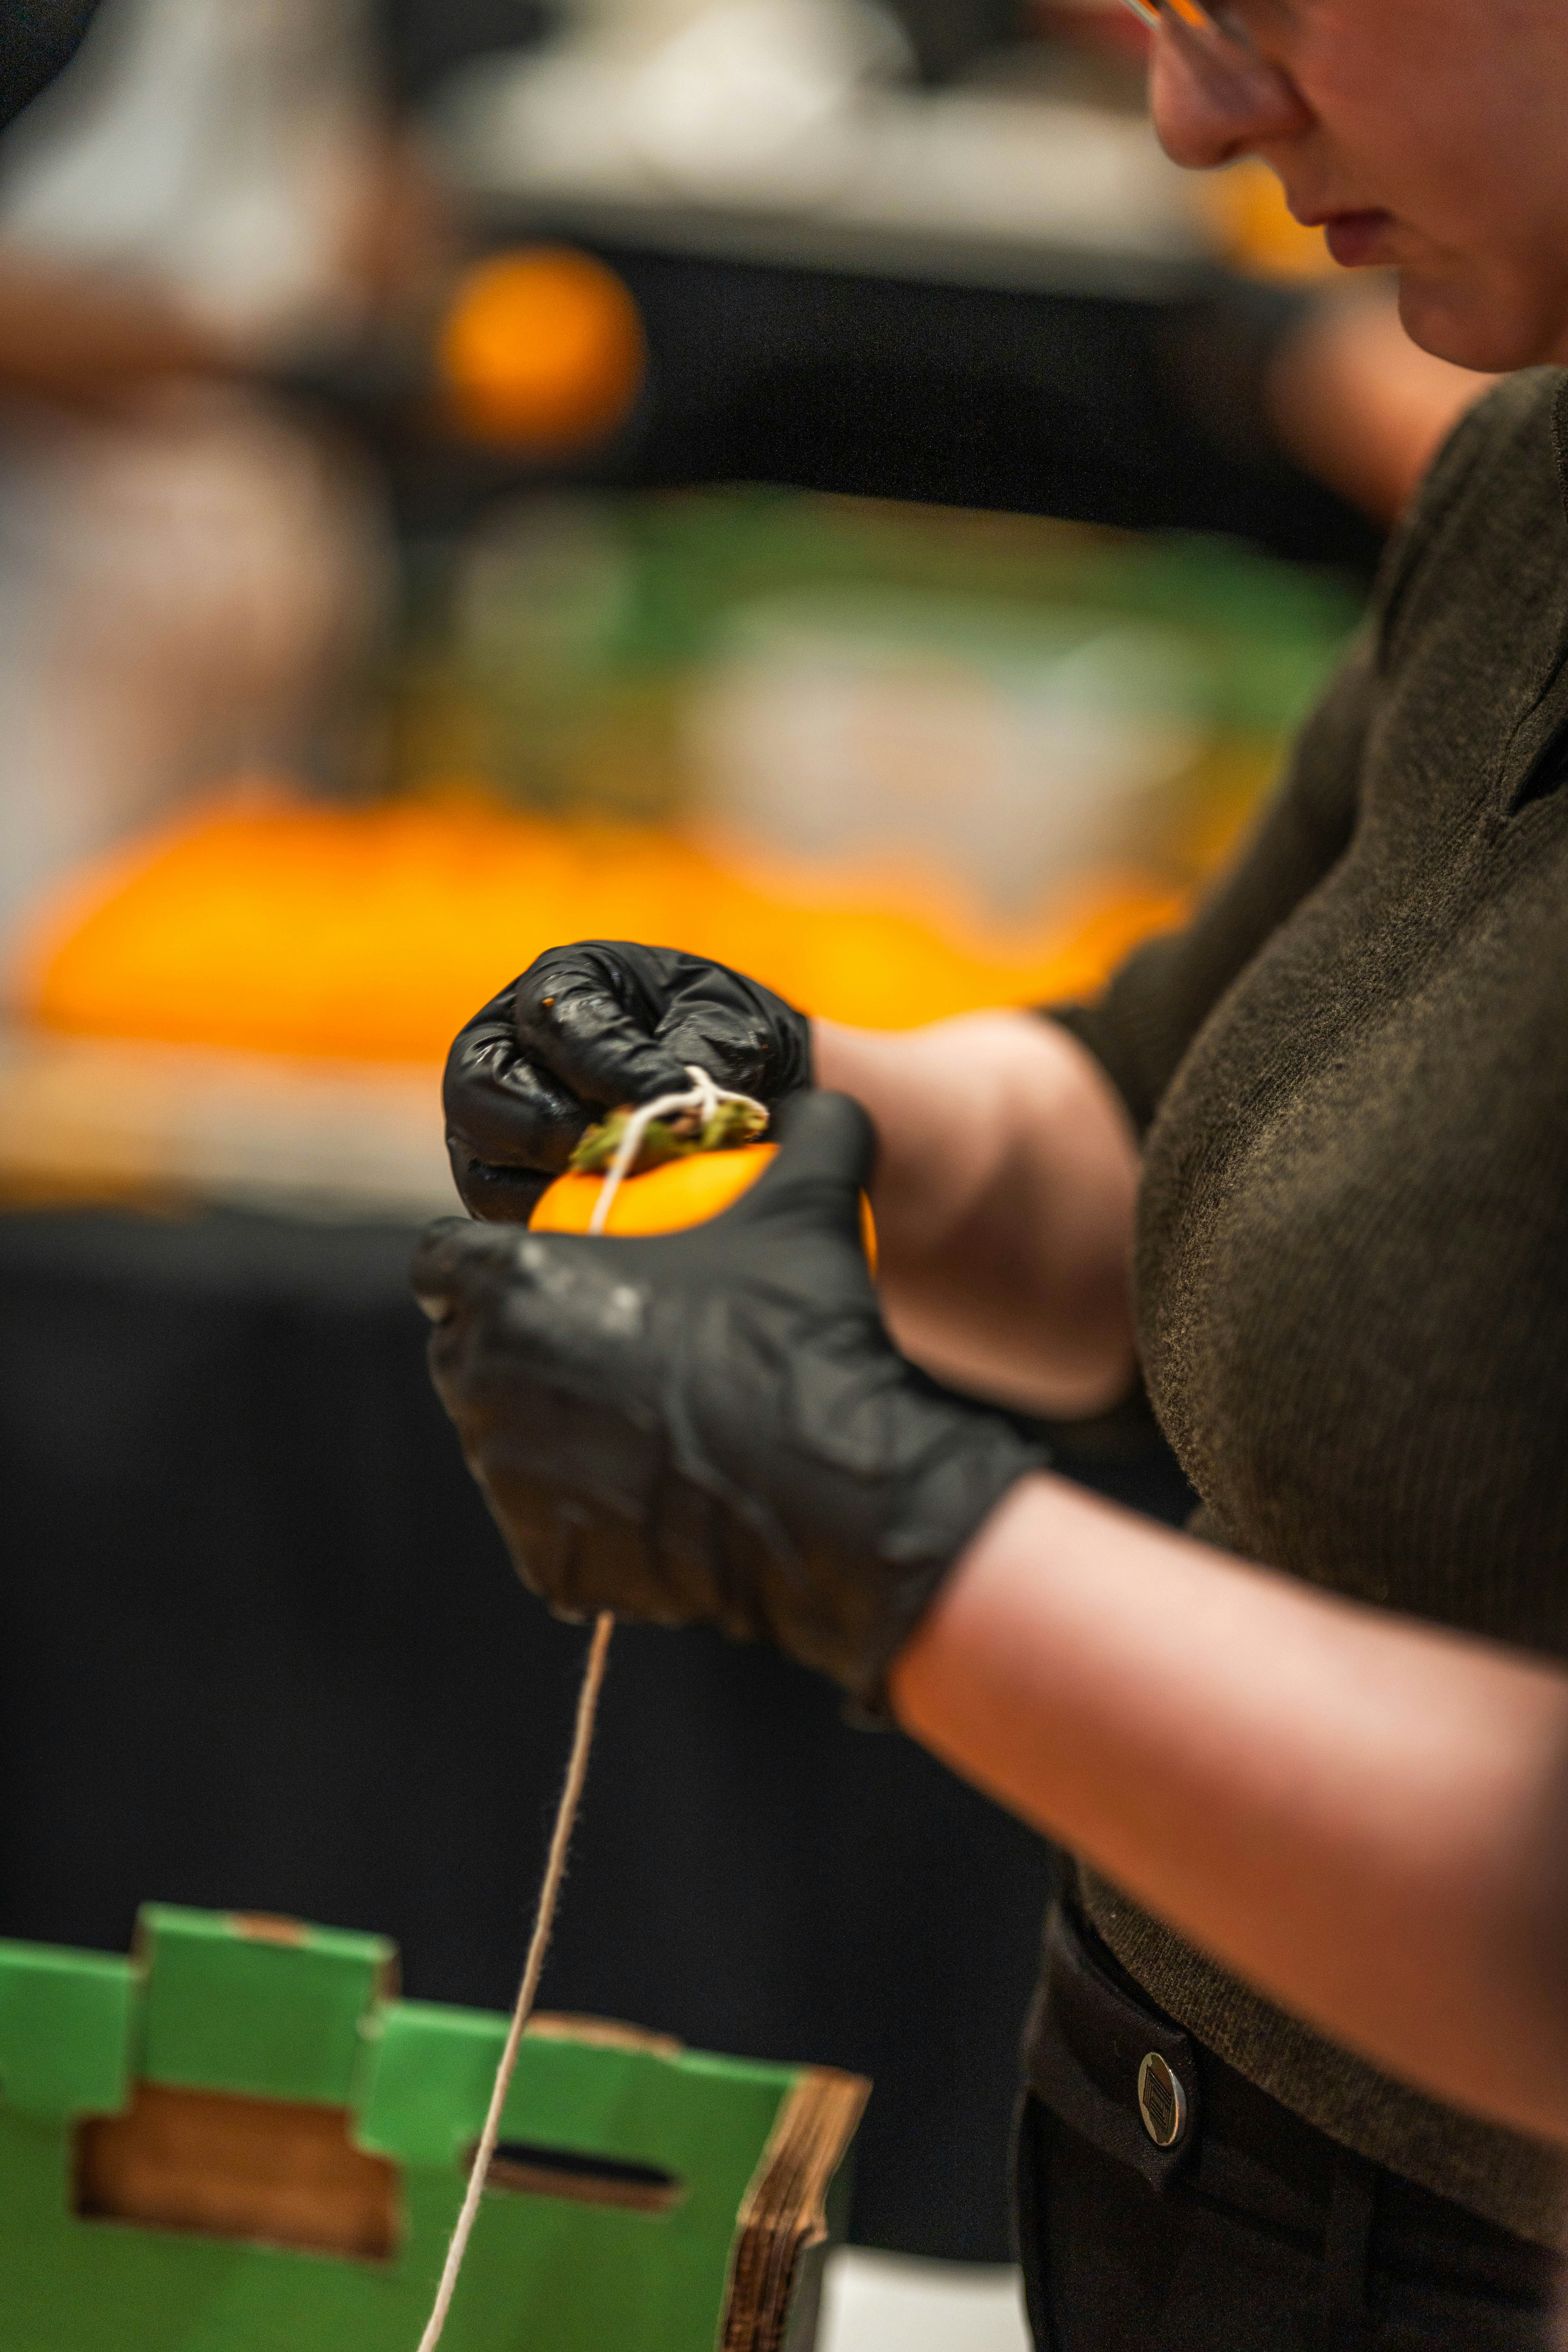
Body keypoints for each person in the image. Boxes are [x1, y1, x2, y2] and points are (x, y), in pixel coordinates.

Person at [415, 2, 1568, 2344]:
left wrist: (876, 1535)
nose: (1195, 115)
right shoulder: (1532, 487)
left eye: (1264, 9)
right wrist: (783, 1090)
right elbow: (1153, 1145)